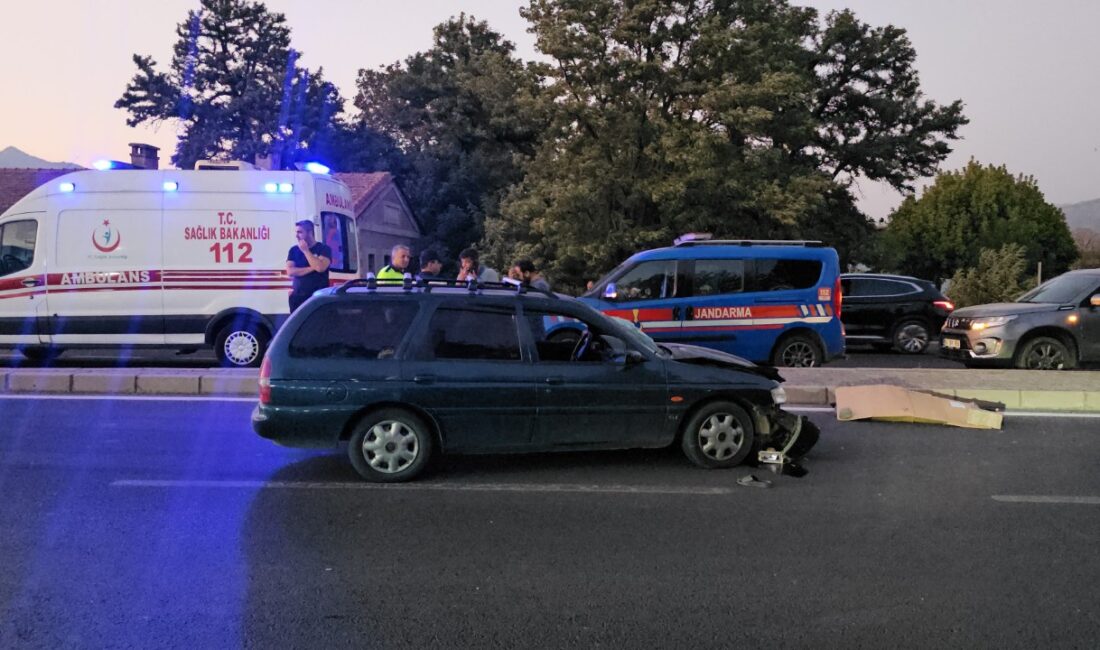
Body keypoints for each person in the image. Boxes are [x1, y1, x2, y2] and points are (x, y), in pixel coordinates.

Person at [286, 220, 331, 312]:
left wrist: (306, 251)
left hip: (318, 299)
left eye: (300, 232)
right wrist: (312, 267)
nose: (296, 235)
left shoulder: (324, 249)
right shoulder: (294, 250)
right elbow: (290, 271)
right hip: (298, 299)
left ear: (310, 232)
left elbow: (320, 268)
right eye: (296, 232)